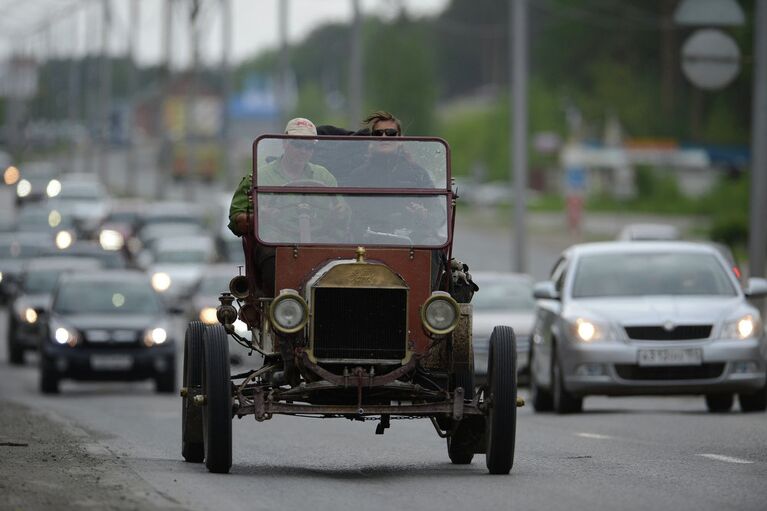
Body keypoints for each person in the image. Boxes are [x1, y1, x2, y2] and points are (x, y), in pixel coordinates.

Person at [227, 117, 347, 295]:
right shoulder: (258, 178)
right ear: (285, 142)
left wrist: (340, 213)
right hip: (276, 243)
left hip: (321, 241)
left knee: (345, 263)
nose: (303, 150)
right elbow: (236, 220)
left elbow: (344, 212)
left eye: (309, 146)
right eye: (297, 144)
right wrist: (260, 218)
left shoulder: (325, 177)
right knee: (274, 260)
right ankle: (277, 310)